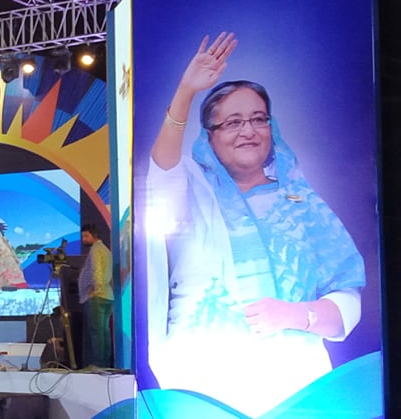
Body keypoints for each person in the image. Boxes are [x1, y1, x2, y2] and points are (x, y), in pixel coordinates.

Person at [144, 32, 365, 416]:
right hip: (202, 391)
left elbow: (347, 298)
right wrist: (185, 93)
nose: (248, 130)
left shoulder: (301, 202)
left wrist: (297, 314)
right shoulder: (194, 192)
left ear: (271, 128)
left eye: (258, 119)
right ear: (209, 138)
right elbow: (162, 169)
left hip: (299, 391)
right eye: (232, 122)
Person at [77, 224, 112, 368]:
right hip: (107, 296)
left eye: (86, 236)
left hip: (97, 297)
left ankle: (98, 365)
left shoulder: (96, 250)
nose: (84, 239)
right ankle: (104, 363)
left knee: (96, 333)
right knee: (103, 332)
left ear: (94, 235)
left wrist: (95, 289)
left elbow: (96, 270)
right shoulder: (105, 250)